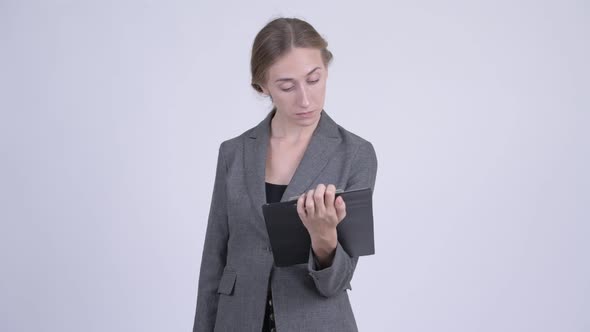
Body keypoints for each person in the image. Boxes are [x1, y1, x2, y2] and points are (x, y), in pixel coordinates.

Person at [193, 17, 378, 332]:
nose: (305, 100)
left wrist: (324, 237)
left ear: (326, 71)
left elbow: (338, 282)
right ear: (262, 85)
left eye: (314, 79)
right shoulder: (233, 153)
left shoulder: (356, 154)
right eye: (287, 85)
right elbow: (214, 261)